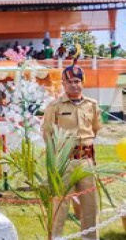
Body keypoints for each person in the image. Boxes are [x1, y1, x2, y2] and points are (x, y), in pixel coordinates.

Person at [42, 63, 102, 240]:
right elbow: (47, 134)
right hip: (65, 161)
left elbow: (95, 129)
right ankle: (55, 237)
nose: (73, 85)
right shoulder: (55, 106)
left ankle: (90, 238)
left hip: (86, 161)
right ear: (63, 84)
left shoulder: (92, 105)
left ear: (82, 82)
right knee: (60, 204)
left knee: (90, 204)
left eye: (77, 81)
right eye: (69, 82)